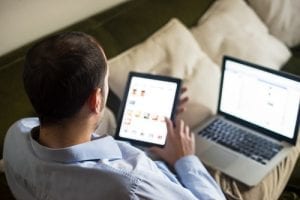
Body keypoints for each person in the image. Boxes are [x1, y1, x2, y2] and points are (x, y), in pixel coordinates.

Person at [3, 32, 226, 200]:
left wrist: (147, 117)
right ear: (96, 99)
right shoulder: (132, 184)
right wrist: (185, 160)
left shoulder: (15, 134)